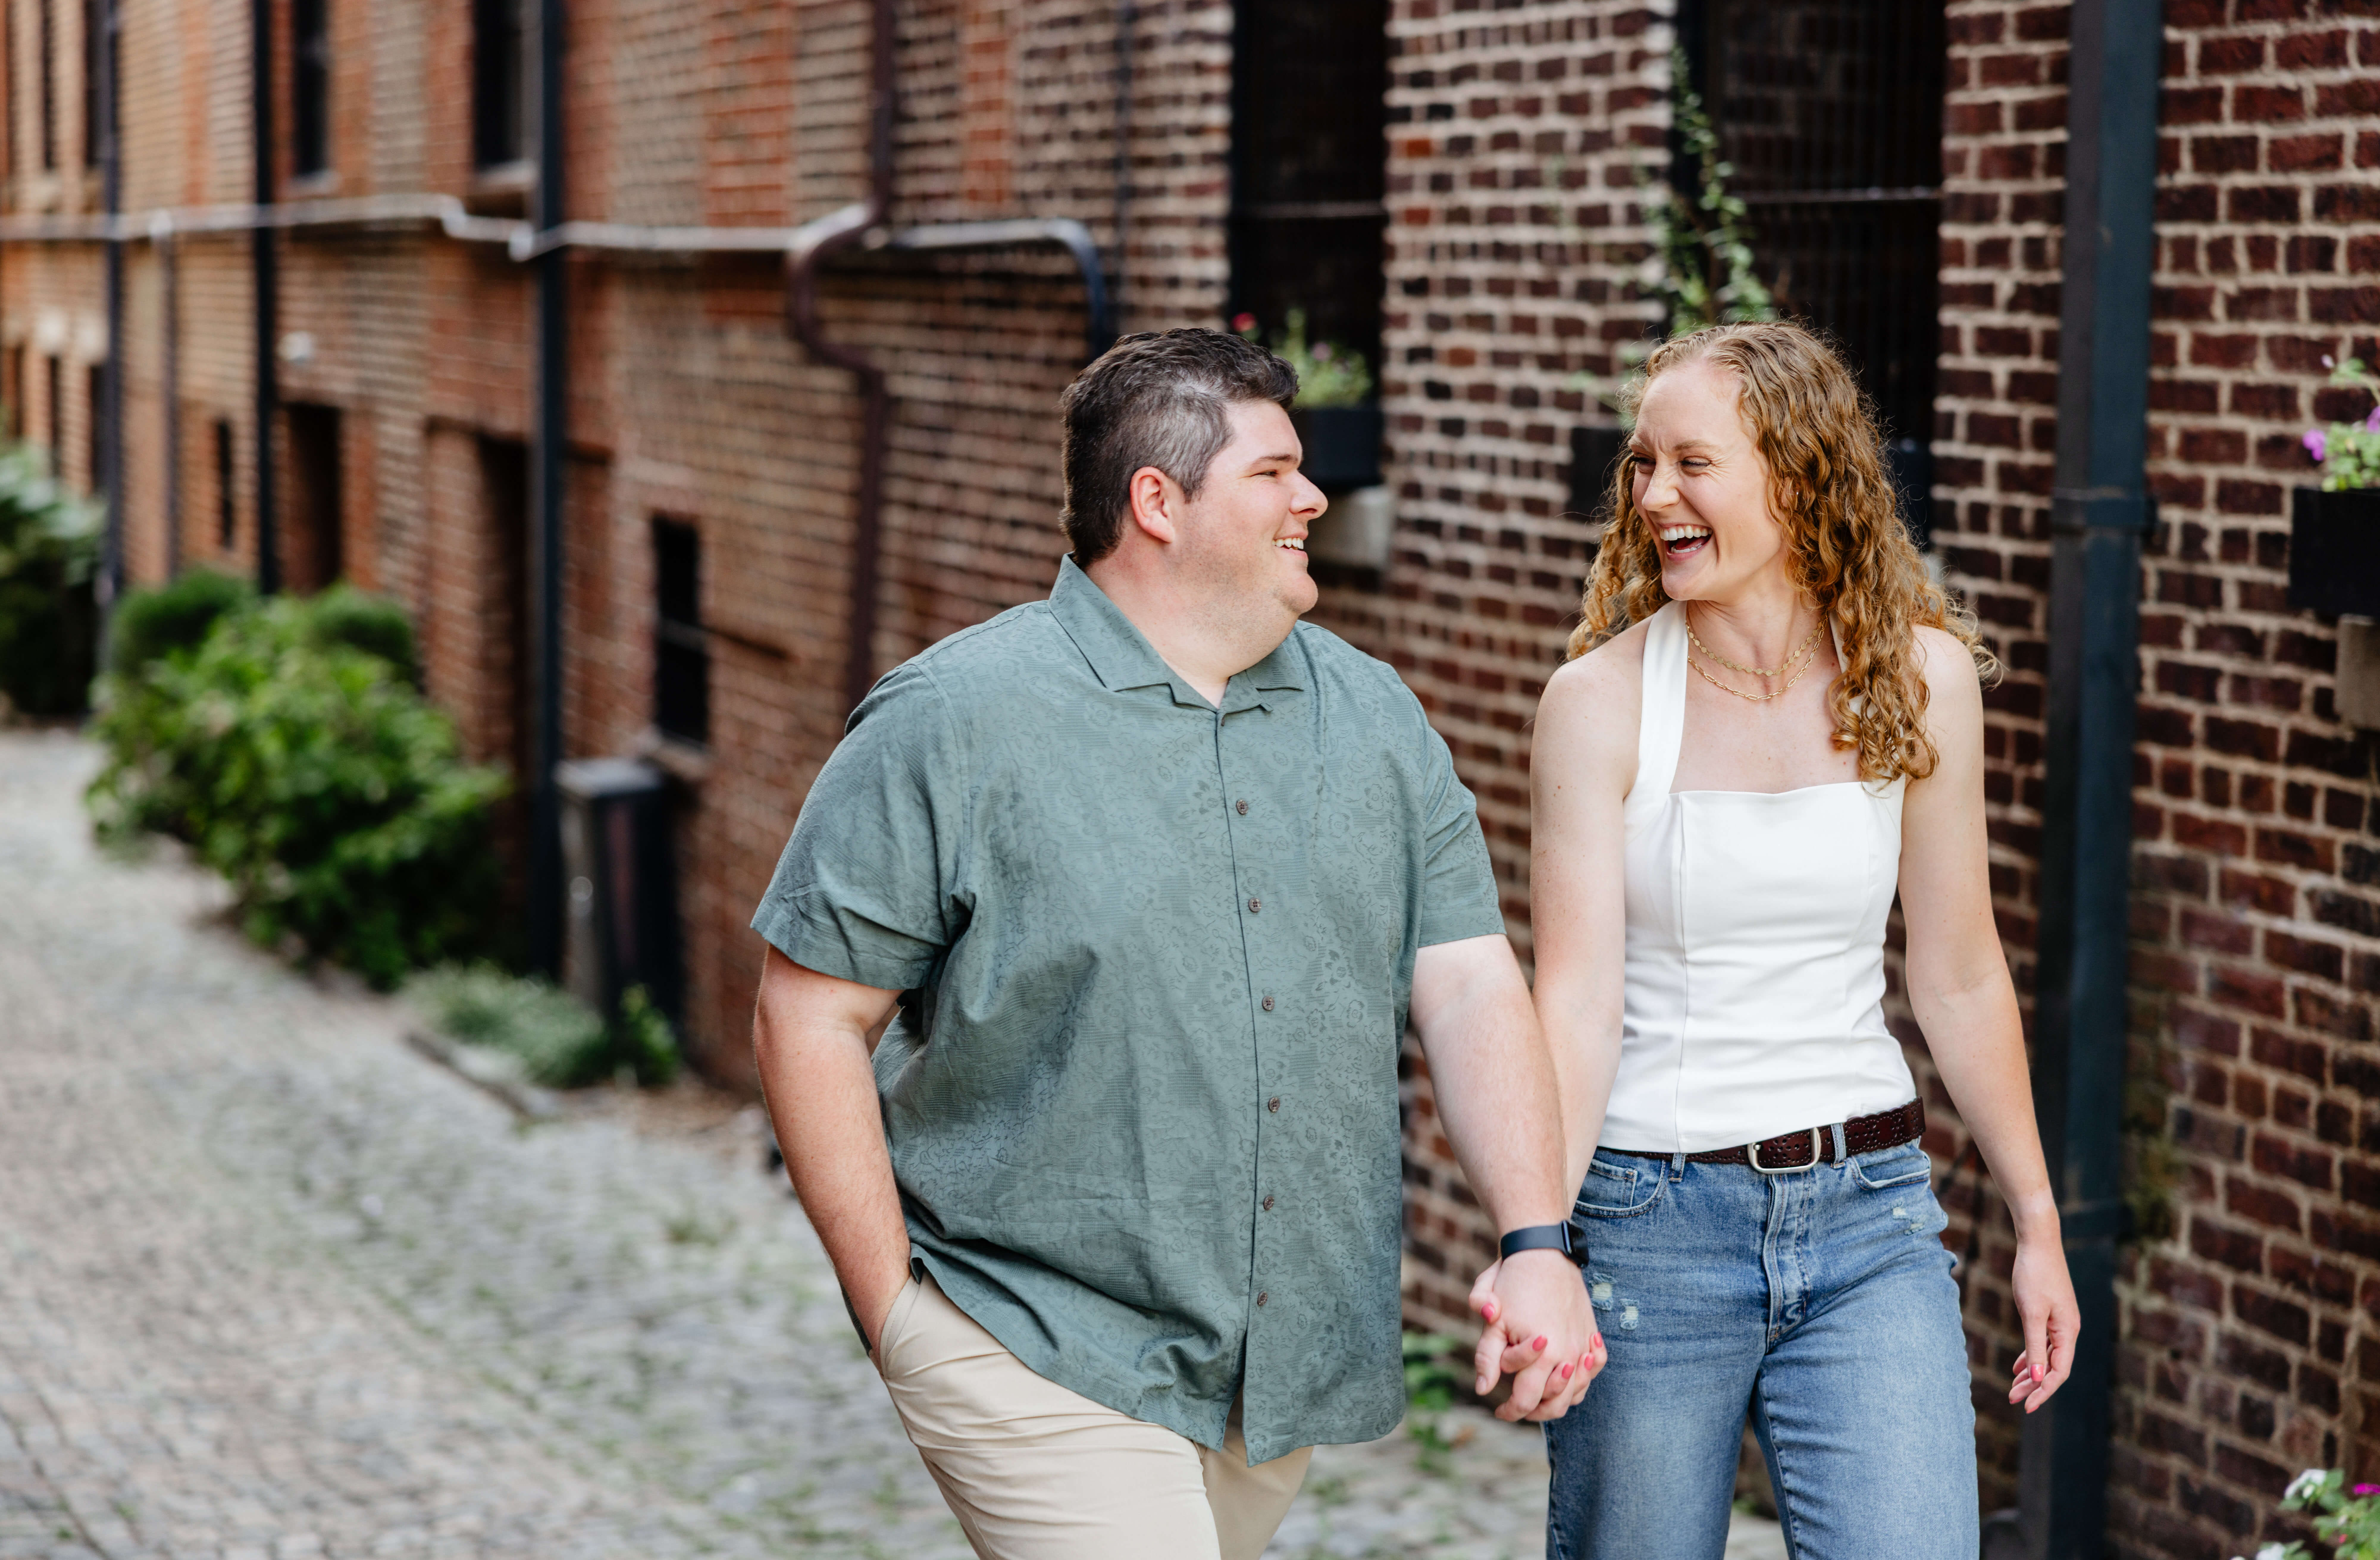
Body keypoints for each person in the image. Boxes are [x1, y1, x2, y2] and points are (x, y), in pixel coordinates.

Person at [750, 327, 1600, 1560]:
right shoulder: (954, 720)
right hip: (1030, 1334)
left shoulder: (1374, 718)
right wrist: (895, 1312)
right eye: (1272, 472)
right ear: (1157, 501)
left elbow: (1468, 980)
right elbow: (808, 1010)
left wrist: (1535, 1242)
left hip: (1268, 1382)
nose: (1312, 496)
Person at [1502, 321, 2080, 1559]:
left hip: (1871, 1213)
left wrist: (2035, 1219)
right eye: (1642, 465)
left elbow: (1958, 967)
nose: (1654, 494)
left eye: (1690, 462)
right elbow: (1574, 998)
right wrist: (1538, 1241)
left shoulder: (1913, 678)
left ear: (1795, 470)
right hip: (1652, 1214)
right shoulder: (1597, 705)